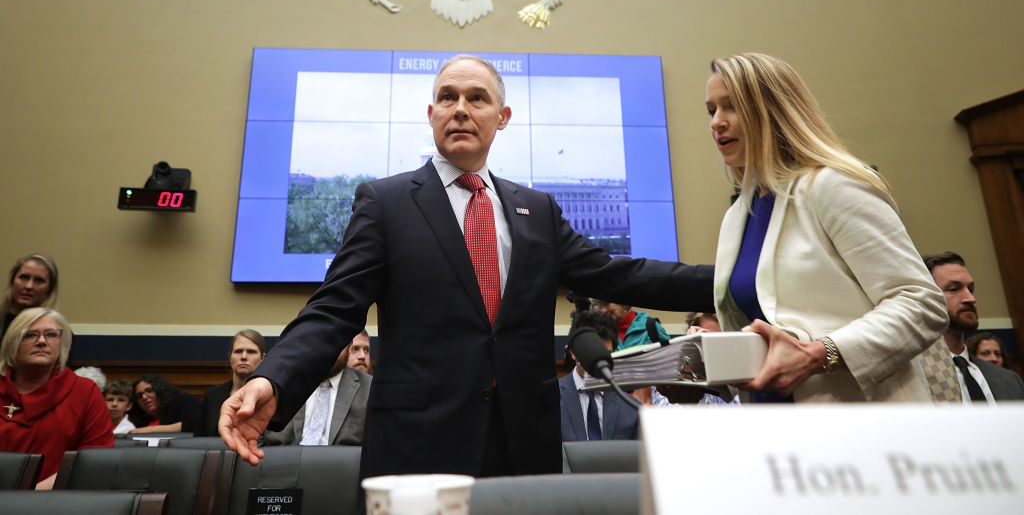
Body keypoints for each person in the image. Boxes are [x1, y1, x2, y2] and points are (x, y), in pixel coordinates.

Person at [220, 54, 714, 479]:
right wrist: (272, 378)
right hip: (418, 445)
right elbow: (334, 309)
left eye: (477, 98)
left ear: (502, 116)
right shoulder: (386, 202)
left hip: (524, 444)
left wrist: (738, 284)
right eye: (448, 97)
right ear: (431, 113)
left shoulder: (535, 210)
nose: (460, 108)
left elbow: (617, 276)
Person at [705, 53, 949, 402]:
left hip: (855, 420)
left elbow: (921, 303)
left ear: (774, 110)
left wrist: (821, 354)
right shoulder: (739, 215)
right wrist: (706, 374)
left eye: (731, 107)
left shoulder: (833, 185)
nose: (716, 122)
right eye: (711, 110)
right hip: (771, 427)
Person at [0, 308, 113, 488]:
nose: (42, 341)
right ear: (12, 343)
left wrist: (30, 496)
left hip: (56, 502)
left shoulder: (84, 391)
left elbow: (95, 460)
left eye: (51, 334)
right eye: (30, 335)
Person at [923, 251, 1024, 402]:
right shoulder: (911, 378)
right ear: (925, 297)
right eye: (953, 289)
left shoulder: (1009, 379)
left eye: (970, 289)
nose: (970, 299)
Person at [263, 342, 371, 446]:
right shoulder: (279, 382)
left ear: (349, 346)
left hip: (343, 463)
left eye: (335, 342)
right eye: (322, 343)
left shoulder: (369, 388)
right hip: (282, 462)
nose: (328, 351)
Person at [559, 310, 638, 442]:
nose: (599, 360)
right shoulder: (549, 399)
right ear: (573, 353)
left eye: (606, 354)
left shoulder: (630, 406)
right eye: (592, 353)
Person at [198, 329, 267, 436]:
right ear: (230, 357)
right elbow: (200, 438)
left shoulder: (268, 396)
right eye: (238, 351)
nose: (243, 357)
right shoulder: (212, 395)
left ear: (262, 358)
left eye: (251, 352)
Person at [2, 253, 59, 343]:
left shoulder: (55, 333)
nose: (29, 286)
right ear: (12, 281)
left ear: (49, 289)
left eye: (39, 280)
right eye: (24, 277)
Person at [128, 374, 202, 434]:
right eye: (139, 395)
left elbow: (196, 423)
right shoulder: (139, 421)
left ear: (160, 390)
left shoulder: (182, 400)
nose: (144, 397)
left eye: (149, 390)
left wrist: (152, 430)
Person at [589, 299, 669, 350]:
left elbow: (669, 358)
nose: (603, 310)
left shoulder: (651, 326)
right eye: (600, 305)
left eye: (607, 303)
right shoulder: (600, 332)